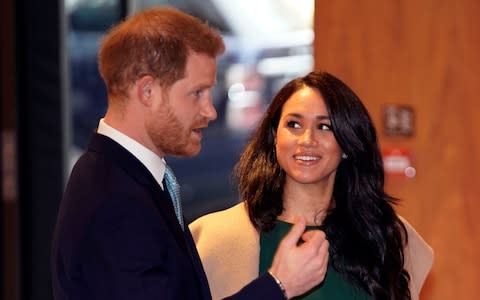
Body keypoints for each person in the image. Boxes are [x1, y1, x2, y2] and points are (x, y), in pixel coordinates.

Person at [51, 7, 330, 300]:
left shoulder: (125, 177)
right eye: (197, 93)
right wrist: (279, 284)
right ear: (148, 91)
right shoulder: (114, 200)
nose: (210, 111)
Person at [190, 71, 434, 299]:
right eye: (294, 125)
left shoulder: (390, 235)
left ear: (347, 143)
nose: (307, 140)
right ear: (275, 136)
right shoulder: (215, 238)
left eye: (324, 127)